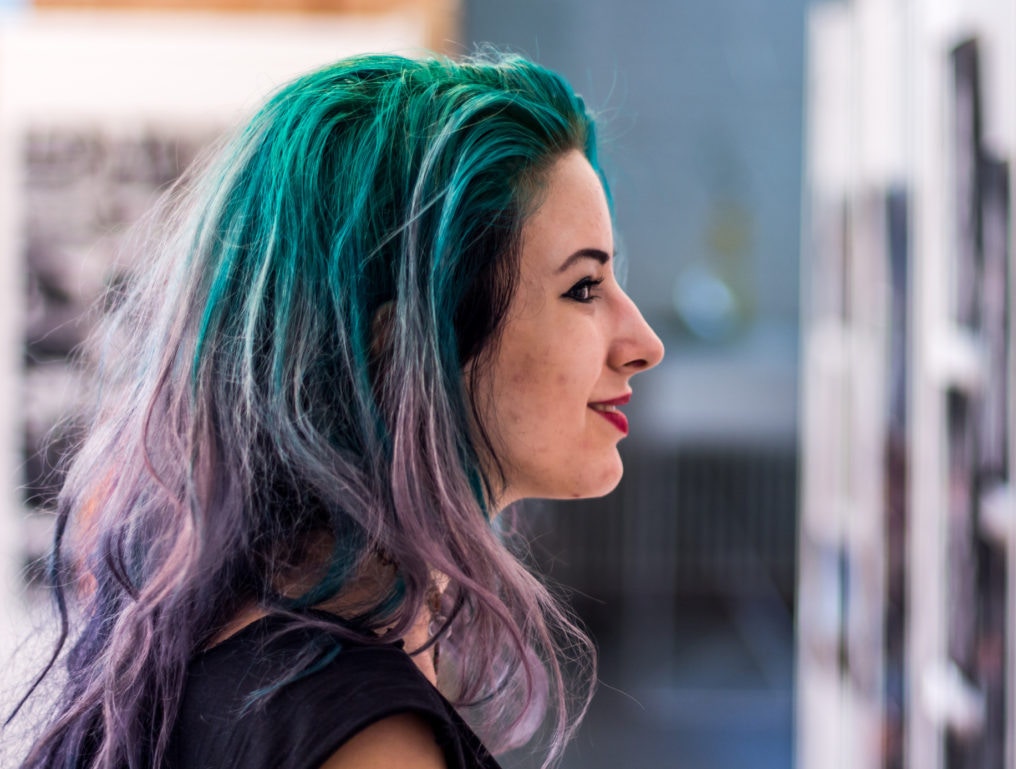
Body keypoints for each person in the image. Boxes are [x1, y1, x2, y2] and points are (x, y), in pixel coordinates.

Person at [10, 52, 664, 769]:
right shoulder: (366, 741)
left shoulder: (213, 650)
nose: (643, 343)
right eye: (582, 288)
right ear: (401, 352)